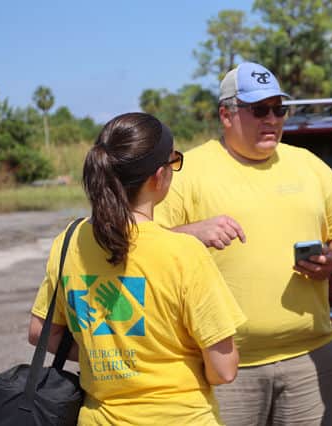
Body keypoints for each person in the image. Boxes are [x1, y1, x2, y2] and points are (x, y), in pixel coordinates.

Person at [154, 62, 332, 425]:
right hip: (223, 366)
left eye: (279, 109)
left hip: (311, 358)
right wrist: (192, 233)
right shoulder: (187, 169)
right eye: (259, 110)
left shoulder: (307, 164)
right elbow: (143, 241)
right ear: (226, 114)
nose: (272, 119)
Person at [28, 112, 246, 425]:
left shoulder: (70, 241)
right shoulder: (184, 252)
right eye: (174, 161)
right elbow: (224, 370)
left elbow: (40, 332)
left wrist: (104, 359)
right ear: (160, 175)